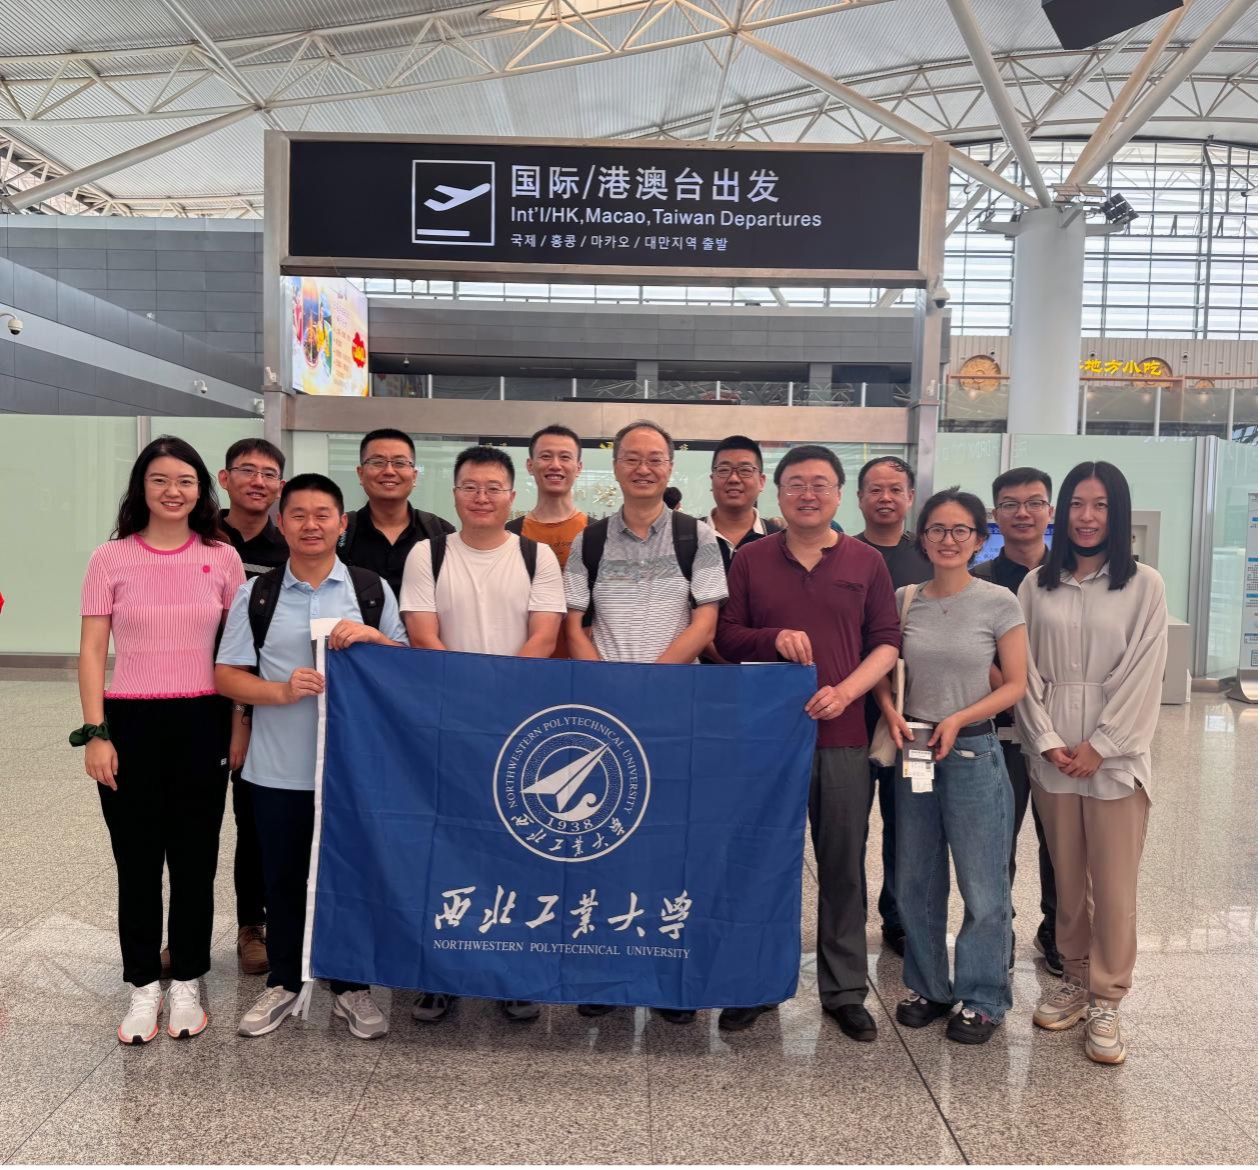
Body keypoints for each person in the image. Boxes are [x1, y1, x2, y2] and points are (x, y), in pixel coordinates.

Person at [715, 445, 900, 1039]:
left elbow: (886, 642)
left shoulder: (866, 562)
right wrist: (772, 638)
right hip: (766, 739)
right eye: (796, 483)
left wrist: (847, 693)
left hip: (842, 735)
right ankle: (755, 983)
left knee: (843, 864)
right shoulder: (751, 559)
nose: (808, 494)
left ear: (839, 495)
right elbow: (726, 636)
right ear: (779, 493)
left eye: (821, 484)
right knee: (763, 863)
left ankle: (844, 990)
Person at [216, 473, 406, 1041]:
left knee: (350, 877)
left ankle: (350, 987)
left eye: (323, 515)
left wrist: (373, 640)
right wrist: (279, 691)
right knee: (282, 878)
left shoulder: (370, 590)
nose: (310, 525)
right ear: (282, 524)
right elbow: (226, 674)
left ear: (342, 524)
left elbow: (406, 667)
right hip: (278, 767)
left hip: (353, 771)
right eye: (297, 515)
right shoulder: (258, 594)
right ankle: (284, 981)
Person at [76, 435, 245, 1044]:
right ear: (141, 487)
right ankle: (143, 984)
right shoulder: (110, 558)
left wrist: (239, 725)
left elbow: (237, 651)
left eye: (185, 481)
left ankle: (189, 981)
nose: (173, 491)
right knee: (137, 860)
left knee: (196, 859)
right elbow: (92, 652)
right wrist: (96, 733)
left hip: (203, 719)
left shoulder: (222, 558)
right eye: (160, 480)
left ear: (202, 490)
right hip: (130, 723)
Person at [563, 420, 728, 1023]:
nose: (643, 468)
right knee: (604, 844)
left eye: (654, 458)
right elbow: (573, 624)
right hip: (606, 716)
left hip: (675, 711)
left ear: (670, 467)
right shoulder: (588, 541)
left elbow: (705, 622)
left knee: (672, 845)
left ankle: (669, 979)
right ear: (616, 466)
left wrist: (652, 682)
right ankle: (603, 973)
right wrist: (612, 689)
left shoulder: (697, 536)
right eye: (632, 457)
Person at [401, 445, 566, 1024]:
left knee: (514, 850)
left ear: (512, 496)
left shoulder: (536, 556)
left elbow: (544, 637)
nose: (482, 497)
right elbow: (423, 635)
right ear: (454, 494)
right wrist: (469, 699)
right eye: (471, 487)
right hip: (446, 723)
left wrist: (496, 698)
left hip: (518, 727)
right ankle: (439, 975)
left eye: (494, 488)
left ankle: (512, 974)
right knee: (444, 847)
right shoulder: (428, 553)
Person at [1017, 461, 1167, 1066]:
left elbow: (1145, 673)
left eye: (1100, 505)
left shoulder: (1144, 585)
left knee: (1113, 883)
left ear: (1118, 512)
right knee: (1067, 881)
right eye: (1078, 503)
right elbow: (1023, 671)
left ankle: (1108, 997)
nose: (1087, 516)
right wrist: (1047, 739)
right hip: (1054, 753)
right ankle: (1075, 979)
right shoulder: (1037, 585)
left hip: (1116, 761)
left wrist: (1102, 745)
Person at [876, 488, 1027, 1045]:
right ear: (923, 538)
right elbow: (886, 672)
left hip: (973, 751)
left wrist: (960, 717)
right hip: (915, 748)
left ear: (979, 539)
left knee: (983, 885)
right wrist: (890, 712)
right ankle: (929, 987)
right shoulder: (904, 599)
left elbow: (1016, 684)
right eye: (937, 529)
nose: (948, 539)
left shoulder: (998, 602)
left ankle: (984, 997)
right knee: (916, 879)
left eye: (960, 530)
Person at [972, 467, 1062, 977]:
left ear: (1050, 511)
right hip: (1000, 733)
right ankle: (996, 932)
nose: (1023, 513)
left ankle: (1057, 932)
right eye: (1010, 504)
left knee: (1060, 843)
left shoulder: (1072, 575)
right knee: (995, 842)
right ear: (996, 514)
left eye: (1034, 503)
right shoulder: (980, 579)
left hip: (1062, 735)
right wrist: (1010, 683)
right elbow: (971, 648)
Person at [852, 455, 932, 959]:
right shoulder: (843, 553)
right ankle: (848, 920)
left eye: (895, 489)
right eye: (875, 489)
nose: (885, 498)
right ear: (859, 497)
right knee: (849, 826)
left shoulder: (929, 556)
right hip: (851, 716)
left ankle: (899, 917)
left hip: (915, 720)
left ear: (910, 498)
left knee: (909, 825)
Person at [216, 437, 289, 978]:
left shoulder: (286, 550)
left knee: (253, 821)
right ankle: (184, 932)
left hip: (254, 703)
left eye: (268, 474)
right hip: (191, 698)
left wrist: (242, 714)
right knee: (190, 825)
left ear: (279, 486)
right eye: (247, 470)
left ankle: (252, 925)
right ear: (225, 479)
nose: (257, 482)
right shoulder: (197, 537)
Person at [338, 428, 454, 598]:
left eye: (400, 463)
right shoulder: (340, 532)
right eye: (378, 462)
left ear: (414, 476)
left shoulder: (440, 533)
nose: (389, 471)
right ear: (360, 474)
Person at [507, 424, 588, 658]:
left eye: (565, 457)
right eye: (545, 456)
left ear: (578, 467)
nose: (555, 465)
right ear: (530, 465)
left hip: (584, 661)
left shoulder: (596, 533)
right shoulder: (510, 534)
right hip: (524, 658)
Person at [703, 435, 783, 574]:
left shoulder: (780, 541)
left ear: (761, 481)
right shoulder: (689, 537)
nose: (734, 479)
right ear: (712, 480)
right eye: (724, 470)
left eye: (745, 470)